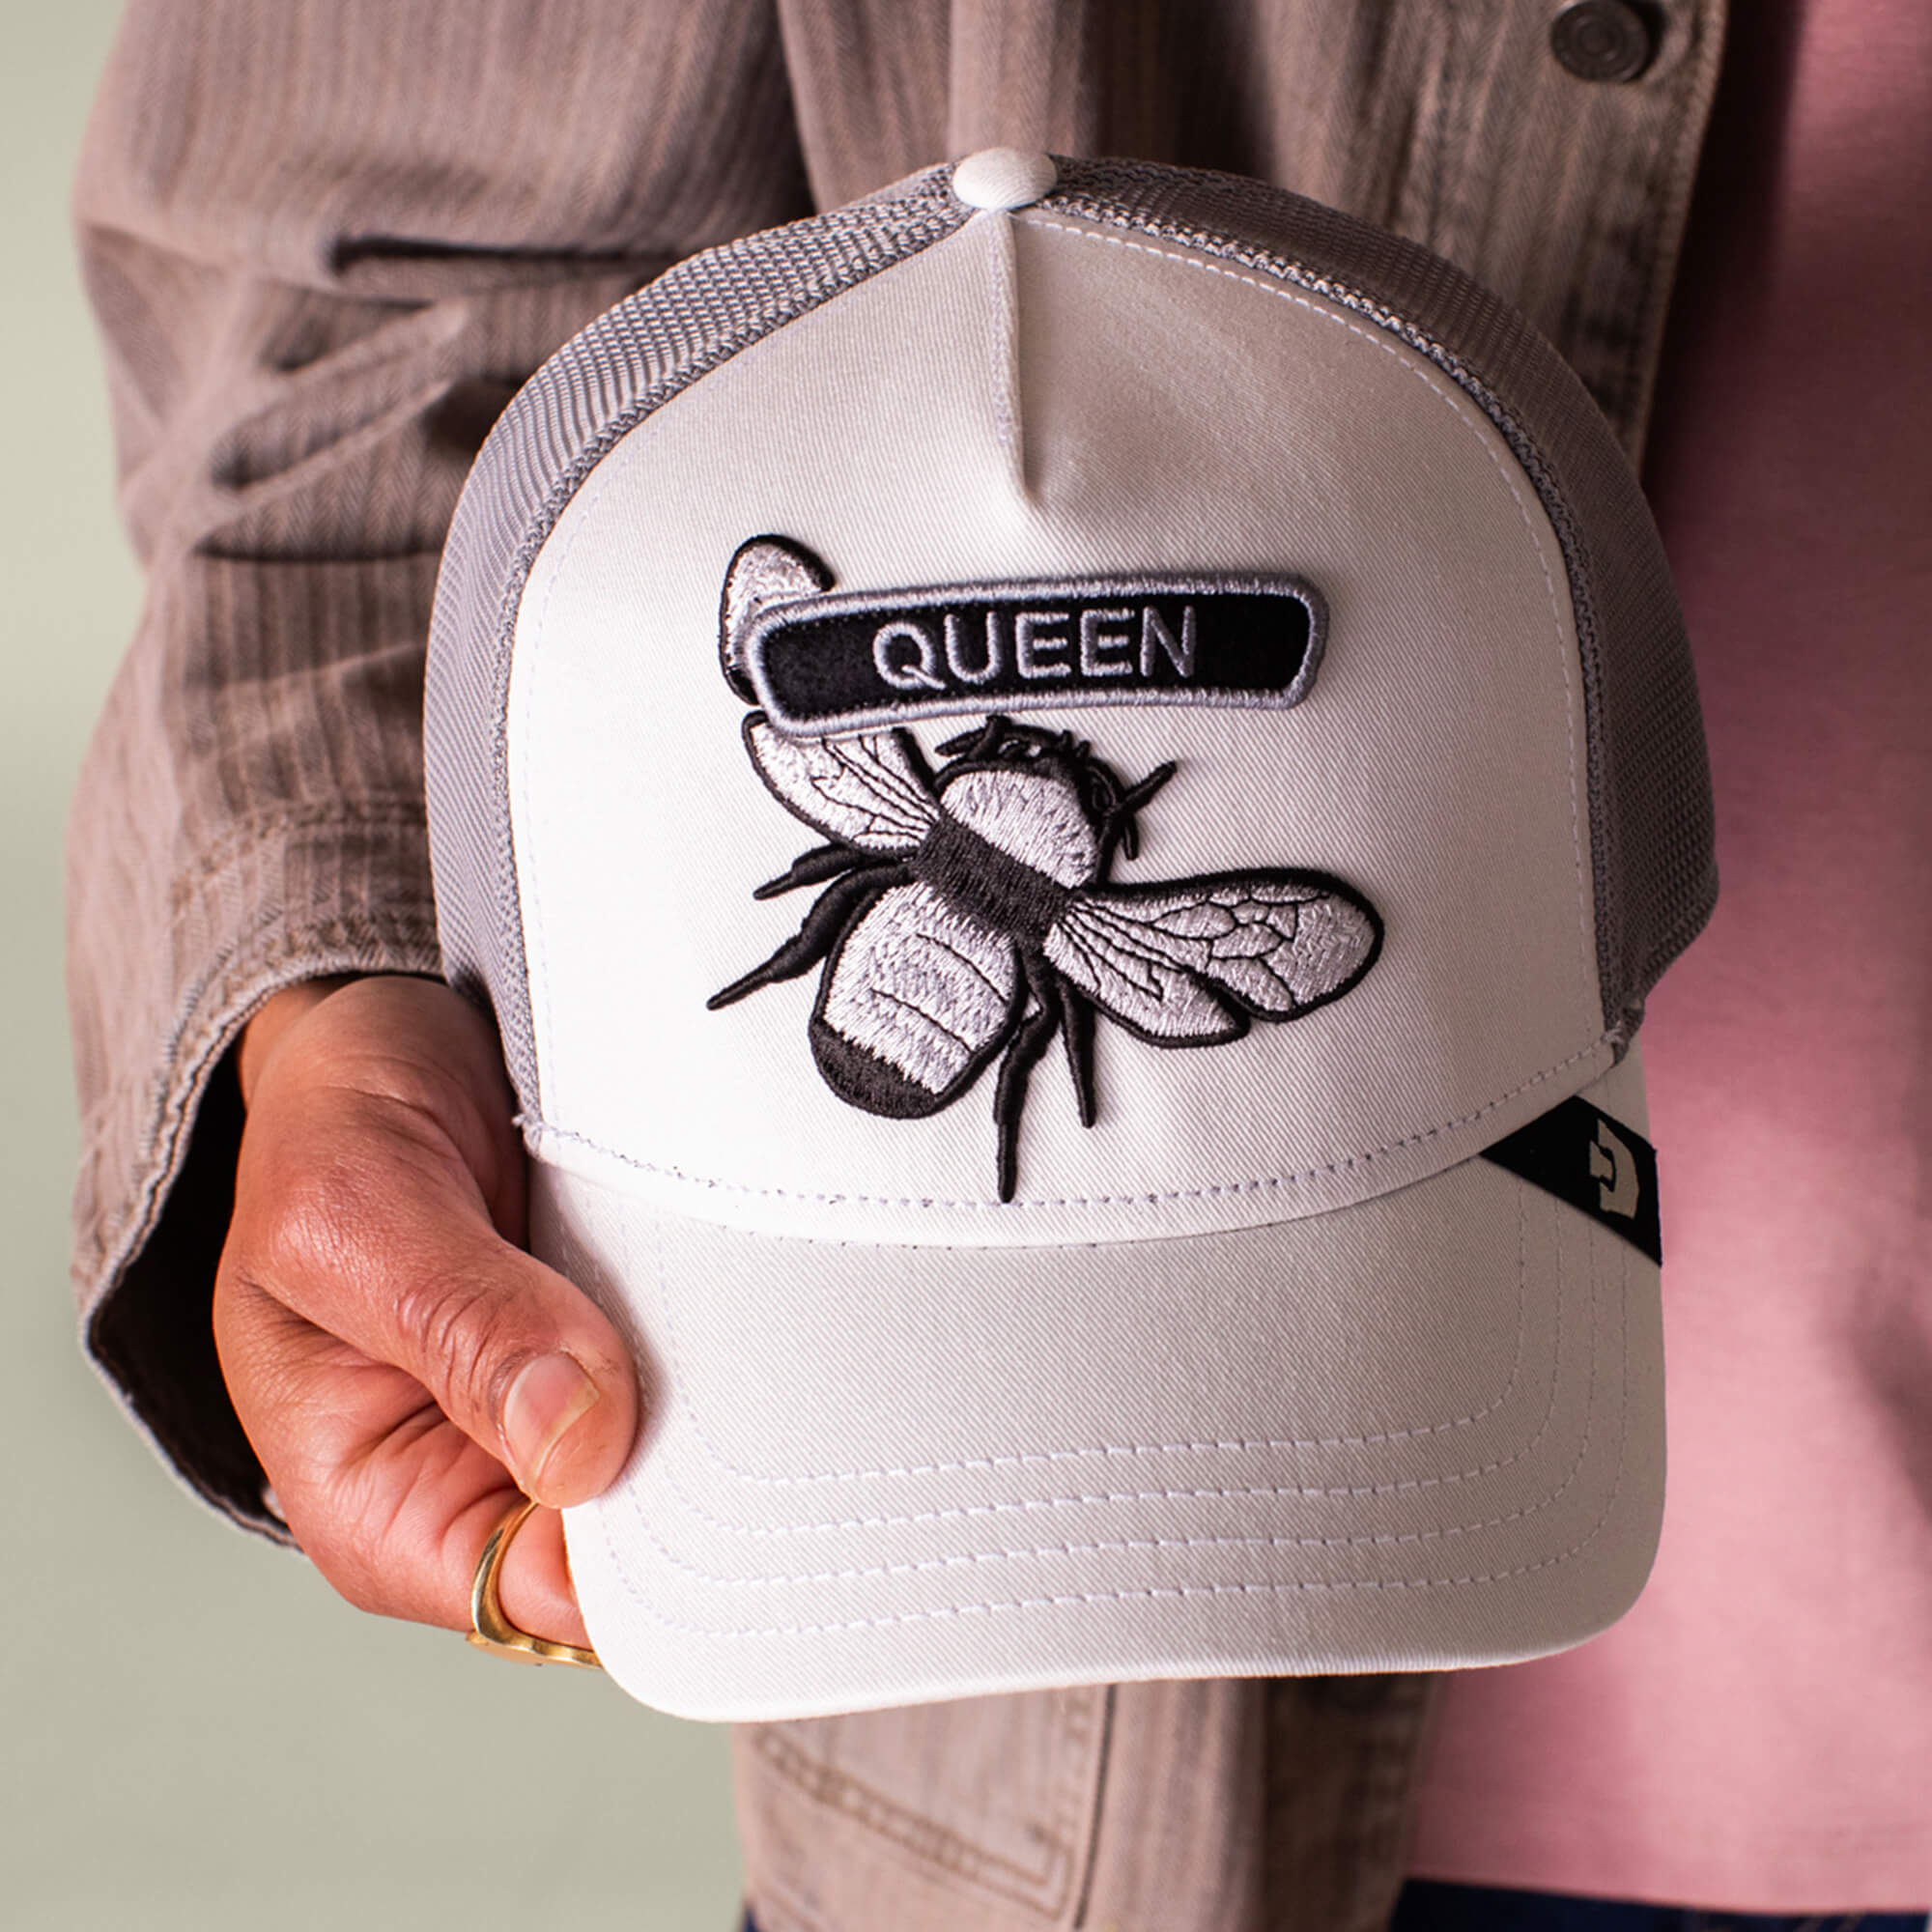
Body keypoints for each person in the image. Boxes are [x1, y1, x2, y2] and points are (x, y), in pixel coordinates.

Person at [66, 4, 1928, 1928]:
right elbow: (388, 299)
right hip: (1131, 1768)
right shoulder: (1104, 921)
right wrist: (344, 983)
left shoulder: (862, 799)